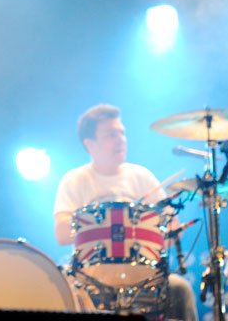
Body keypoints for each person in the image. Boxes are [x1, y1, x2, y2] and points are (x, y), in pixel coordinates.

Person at [53, 104, 198, 321]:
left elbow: (173, 232)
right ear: (90, 144)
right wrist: (108, 225)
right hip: (92, 276)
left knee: (180, 288)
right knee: (61, 293)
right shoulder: (74, 180)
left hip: (145, 277)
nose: (120, 139)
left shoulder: (141, 176)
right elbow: (62, 234)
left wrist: (155, 229)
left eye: (122, 133)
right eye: (111, 134)